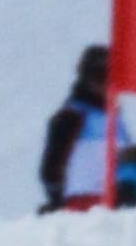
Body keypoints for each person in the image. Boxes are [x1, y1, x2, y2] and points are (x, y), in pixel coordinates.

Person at [37, 46, 112, 210]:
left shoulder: (114, 118)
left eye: (109, 77)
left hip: (113, 204)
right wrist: (59, 201)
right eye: (97, 76)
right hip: (81, 205)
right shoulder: (72, 116)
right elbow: (50, 170)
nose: (104, 84)